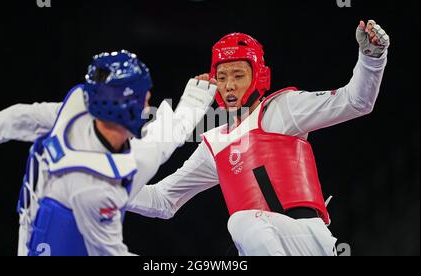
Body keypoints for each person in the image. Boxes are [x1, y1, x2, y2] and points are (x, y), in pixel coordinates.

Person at [125, 20, 390, 256]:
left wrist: (371, 59)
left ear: (259, 76)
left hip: (307, 238)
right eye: (222, 77)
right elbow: (162, 200)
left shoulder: (284, 108)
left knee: (240, 222)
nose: (229, 85)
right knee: (242, 227)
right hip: (265, 244)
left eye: (238, 75)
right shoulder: (213, 143)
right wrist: (107, 184)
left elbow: (355, 102)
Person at [0, 50, 216, 256]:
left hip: (36, 224)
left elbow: (19, 118)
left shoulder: (74, 112)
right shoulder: (97, 188)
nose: (148, 100)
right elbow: (109, 253)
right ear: (133, 105)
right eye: (145, 96)